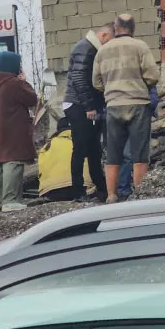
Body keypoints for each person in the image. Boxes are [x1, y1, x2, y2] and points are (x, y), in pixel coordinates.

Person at [93, 14, 160, 201]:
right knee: (139, 154)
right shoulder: (141, 47)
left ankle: (112, 195)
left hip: (114, 106)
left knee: (113, 154)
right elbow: (153, 76)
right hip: (138, 104)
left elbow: (96, 82)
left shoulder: (103, 51)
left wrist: (112, 89)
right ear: (133, 28)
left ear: (115, 28)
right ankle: (139, 194)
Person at [62, 24, 113, 202]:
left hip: (84, 104)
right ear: (104, 35)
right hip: (78, 104)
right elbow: (79, 79)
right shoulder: (85, 48)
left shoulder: (88, 47)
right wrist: (89, 106)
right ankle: (78, 191)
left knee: (93, 149)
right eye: (110, 41)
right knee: (81, 148)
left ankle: (101, 188)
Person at [0, 51, 38, 214]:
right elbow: (32, 99)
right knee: (12, 162)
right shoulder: (14, 83)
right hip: (13, 129)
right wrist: (24, 81)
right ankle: (11, 201)